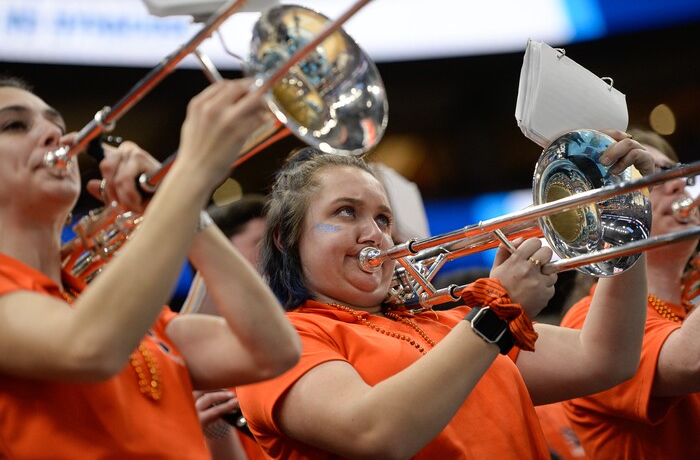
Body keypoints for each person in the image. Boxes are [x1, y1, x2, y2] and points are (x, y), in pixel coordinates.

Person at [235, 133, 654, 459]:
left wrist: (626, 219)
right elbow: (374, 432)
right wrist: (495, 314)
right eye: (346, 212)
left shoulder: (447, 322)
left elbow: (605, 359)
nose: (375, 234)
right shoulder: (280, 346)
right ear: (286, 238)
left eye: (383, 218)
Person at [0, 76, 301, 458]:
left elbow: (273, 350)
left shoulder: (103, 305)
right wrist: (190, 174)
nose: (55, 136)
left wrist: (187, 214)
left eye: (57, 126)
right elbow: (87, 346)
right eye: (14, 125)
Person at [559, 128, 700, 459]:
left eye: (677, 173)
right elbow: (692, 361)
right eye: (653, 176)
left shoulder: (687, 301)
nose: (680, 184)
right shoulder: (588, 320)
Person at [187, 194, 271, 460]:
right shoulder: (179, 346)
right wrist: (216, 431)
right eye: (260, 245)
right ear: (220, 251)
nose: (275, 258)